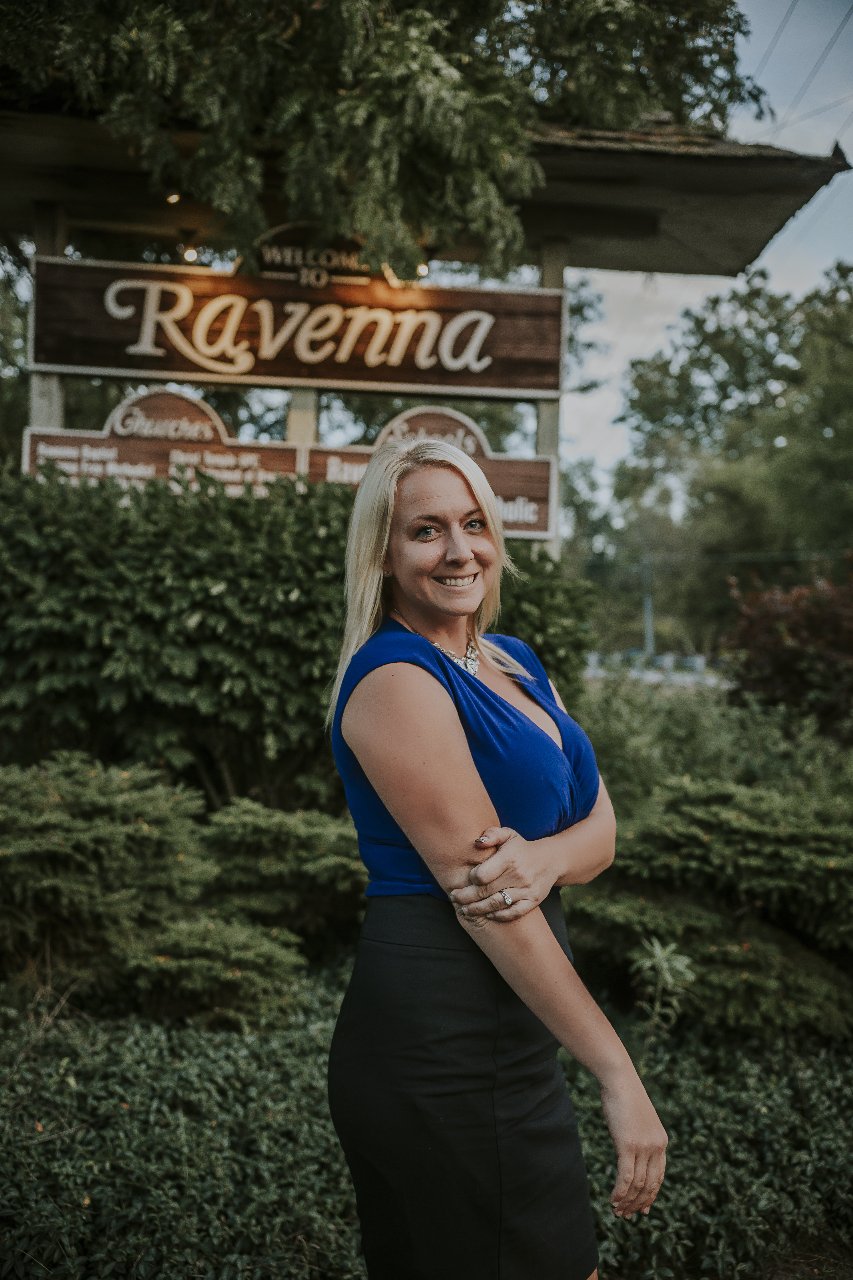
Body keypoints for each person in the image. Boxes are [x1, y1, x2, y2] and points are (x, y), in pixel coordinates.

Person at [326, 439, 667, 1280]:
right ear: (384, 551)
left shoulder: (508, 659)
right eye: (425, 530)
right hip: (437, 1038)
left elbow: (601, 835)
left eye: (473, 523)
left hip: (516, 1031)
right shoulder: (395, 680)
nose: (457, 550)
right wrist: (618, 1074)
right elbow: (489, 900)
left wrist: (545, 859)